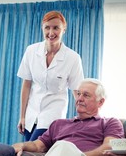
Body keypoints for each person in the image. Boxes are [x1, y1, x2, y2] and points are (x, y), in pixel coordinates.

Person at [16, 10, 84, 141]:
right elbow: (26, 85)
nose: (51, 33)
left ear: (64, 29)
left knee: (31, 149)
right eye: (47, 27)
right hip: (31, 113)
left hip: (53, 113)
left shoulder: (73, 58)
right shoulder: (31, 51)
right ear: (42, 28)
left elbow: (77, 91)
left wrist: (82, 117)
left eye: (56, 28)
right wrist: (22, 116)